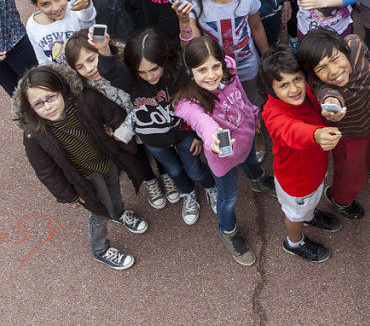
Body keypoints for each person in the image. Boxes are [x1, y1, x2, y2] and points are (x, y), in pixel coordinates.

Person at [13, 65, 148, 270]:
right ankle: (100, 249)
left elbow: (114, 115)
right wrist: (69, 196)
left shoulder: (84, 101)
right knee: (100, 212)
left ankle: (119, 213)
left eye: (51, 97)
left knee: (114, 190)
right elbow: (46, 171)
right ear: (29, 107)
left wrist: (120, 138)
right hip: (84, 179)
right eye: (38, 104)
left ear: (62, 90)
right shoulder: (34, 134)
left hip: (105, 161)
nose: (48, 107)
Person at [173, 37, 276, 266]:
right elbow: (200, 121)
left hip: (247, 137)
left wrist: (253, 114)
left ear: (222, 63)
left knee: (252, 164)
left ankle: (257, 180)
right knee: (228, 198)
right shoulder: (188, 102)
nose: (211, 75)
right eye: (202, 69)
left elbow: (241, 94)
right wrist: (211, 137)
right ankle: (227, 231)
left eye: (215, 66)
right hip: (223, 157)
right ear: (190, 71)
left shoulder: (229, 68)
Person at [122, 28, 218, 225]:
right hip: (154, 140)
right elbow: (109, 69)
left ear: (164, 60)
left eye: (154, 69)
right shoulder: (131, 80)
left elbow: (198, 103)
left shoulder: (178, 74)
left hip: (183, 134)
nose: (149, 77)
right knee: (173, 171)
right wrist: (103, 50)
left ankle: (210, 186)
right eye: (142, 72)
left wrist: (199, 136)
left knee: (195, 170)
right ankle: (188, 193)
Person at [64, 33, 167, 210]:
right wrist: (105, 127)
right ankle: (150, 180)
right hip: (122, 130)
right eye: (80, 66)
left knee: (157, 148)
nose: (89, 69)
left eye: (91, 59)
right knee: (137, 155)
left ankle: (166, 174)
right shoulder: (86, 88)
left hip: (144, 117)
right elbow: (93, 113)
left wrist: (126, 128)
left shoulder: (123, 66)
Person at [260, 46, 344, 263]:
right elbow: (291, 130)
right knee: (294, 215)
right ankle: (293, 242)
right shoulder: (272, 114)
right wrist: (316, 134)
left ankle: (310, 216)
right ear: (272, 89)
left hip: (314, 170)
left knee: (309, 203)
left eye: (297, 79)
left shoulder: (305, 91)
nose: (295, 89)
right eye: (284, 85)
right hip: (297, 182)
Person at [297, 29, 370, 221]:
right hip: (349, 137)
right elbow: (330, 98)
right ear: (313, 74)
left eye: (334, 58)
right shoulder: (323, 87)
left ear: (344, 49)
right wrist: (333, 108)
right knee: (351, 176)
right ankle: (340, 200)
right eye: (321, 68)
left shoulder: (355, 44)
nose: (333, 71)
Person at [177, 0, 269, 108]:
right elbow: (192, 47)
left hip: (247, 64)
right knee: (228, 107)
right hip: (216, 72)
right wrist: (184, 22)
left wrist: (267, 57)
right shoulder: (191, 0)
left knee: (253, 103)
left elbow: (256, 27)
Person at [23, 0, 96, 65]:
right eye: (45, 4)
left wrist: (87, 3)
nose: (56, 8)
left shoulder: (77, 9)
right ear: (36, 6)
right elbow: (43, 60)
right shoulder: (32, 25)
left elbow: (88, 14)